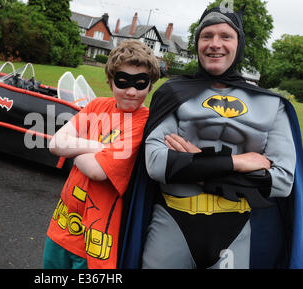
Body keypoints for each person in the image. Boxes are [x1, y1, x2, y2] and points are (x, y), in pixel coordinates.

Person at [118, 6, 303, 269]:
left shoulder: (273, 105)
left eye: (225, 36)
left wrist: (195, 165)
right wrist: (237, 162)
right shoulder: (172, 93)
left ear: (239, 44)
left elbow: (283, 181)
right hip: (173, 222)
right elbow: (157, 164)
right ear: (198, 43)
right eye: (207, 36)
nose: (215, 44)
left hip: (236, 231)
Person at [43, 39, 160, 269]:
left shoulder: (143, 121)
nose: (131, 91)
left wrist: (74, 147)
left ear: (150, 85)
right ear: (110, 81)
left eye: (140, 84)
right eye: (123, 82)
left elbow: (97, 171)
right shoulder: (97, 106)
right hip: (61, 227)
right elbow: (56, 144)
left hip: (96, 243)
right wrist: (99, 147)